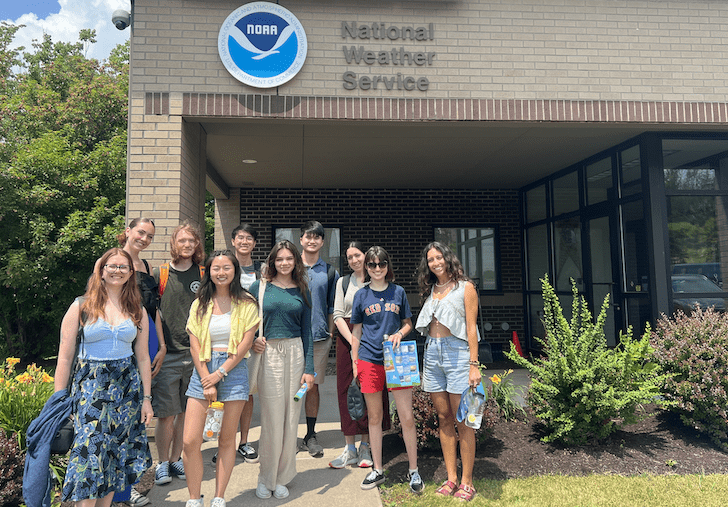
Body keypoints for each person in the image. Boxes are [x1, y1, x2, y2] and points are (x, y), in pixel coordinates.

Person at [55, 248, 154, 506]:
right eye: (112, 265)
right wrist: (58, 398)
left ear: (131, 273)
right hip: (90, 388)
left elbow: (143, 357)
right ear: (101, 269)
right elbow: (64, 357)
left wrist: (146, 398)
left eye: (123, 267)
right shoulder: (81, 306)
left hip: (126, 389)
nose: (117, 270)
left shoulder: (137, 309)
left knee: (115, 459)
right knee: (90, 460)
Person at [183, 250, 259, 507]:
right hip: (202, 370)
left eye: (227, 267)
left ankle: (219, 497)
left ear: (235, 271)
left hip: (233, 371)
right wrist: (207, 377)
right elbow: (194, 344)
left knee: (227, 439)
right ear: (208, 272)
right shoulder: (199, 303)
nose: (221, 272)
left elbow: (245, 343)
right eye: (216, 268)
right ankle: (194, 497)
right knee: (191, 440)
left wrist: (220, 373)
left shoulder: (247, 302)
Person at [350, 246, 422, 493]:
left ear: (387, 266)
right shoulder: (361, 295)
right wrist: (354, 362)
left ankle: (413, 470)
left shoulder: (398, 292)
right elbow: (356, 332)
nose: (377, 268)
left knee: (407, 417)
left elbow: (408, 324)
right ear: (366, 268)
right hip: (370, 359)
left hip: (398, 358)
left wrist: (399, 334)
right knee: (375, 418)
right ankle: (378, 469)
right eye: (372, 265)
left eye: (381, 264)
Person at [415, 241, 481, 502]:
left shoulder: (466, 287)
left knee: (463, 420)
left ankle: (467, 482)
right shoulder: (431, 289)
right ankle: (451, 477)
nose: (435, 262)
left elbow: (472, 327)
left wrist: (473, 365)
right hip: (432, 354)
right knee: (443, 417)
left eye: (439, 257)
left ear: (448, 258)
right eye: (431, 259)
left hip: (458, 355)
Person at [249, 240, 315, 500]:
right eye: (280, 259)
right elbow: (247, 321)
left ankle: (283, 476)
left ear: (295, 261)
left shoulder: (302, 289)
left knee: (291, 417)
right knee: (272, 418)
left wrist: (309, 369)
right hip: (269, 355)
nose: (284, 263)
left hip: (296, 353)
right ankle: (266, 476)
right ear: (272, 262)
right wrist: (253, 338)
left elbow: (307, 331)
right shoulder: (260, 287)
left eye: (289, 259)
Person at [116, 218, 166, 506]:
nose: (145, 239)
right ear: (128, 232)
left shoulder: (147, 268)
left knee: (136, 417)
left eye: (149, 236)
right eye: (140, 233)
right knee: (121, 419)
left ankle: (128, 484)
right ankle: (120, 489)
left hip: (146, 343)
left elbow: (154, 309)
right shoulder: (112, 261)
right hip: (121, 343)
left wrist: (161, 344)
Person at [152, 221, 206, 486]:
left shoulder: (204, 272)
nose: (187, 245)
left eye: (192, 241)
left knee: (186, 412)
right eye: (182, 240)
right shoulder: (160, 273)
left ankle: (176, 459)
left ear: (197, 245)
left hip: (196, 355)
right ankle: (161, 462)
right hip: (169, 354)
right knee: (166, 413)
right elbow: (152, 315)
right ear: (174, 243)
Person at [330, 241, 391, 469]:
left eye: (357, 255)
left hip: (373, 340)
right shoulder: (342, 282)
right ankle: (349, 447)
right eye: (349, 257)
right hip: (348, 339)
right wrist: (352, 340)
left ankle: (366, 445)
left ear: (366, 255)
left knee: (371, 390)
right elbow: (337, 314)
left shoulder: (377, 279)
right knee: (347, 391)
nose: (354, 260)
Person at [211, 224, 263, 466]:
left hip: (249, 343)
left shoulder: (261, 272)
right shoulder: (220, 267)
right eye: (240, 237)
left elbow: (266, 305)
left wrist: (257, 338)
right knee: (220, 396)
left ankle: (244, 442)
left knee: (246, 393)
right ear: (233, 241)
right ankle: (224, 443)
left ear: (254, 243)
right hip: (221, 342)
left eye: (249, 238)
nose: (244, 241)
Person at [298, 221, 338, 458]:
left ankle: (310, 434)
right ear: (301, 240)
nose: (312, 240)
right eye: (308, 236)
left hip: (320, 338)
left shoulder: (330, 271)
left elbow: (332, 305)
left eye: (317, 237)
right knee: (291, 388)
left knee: (311, 387)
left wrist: (330, 331)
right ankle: (287, 434)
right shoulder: (291, 267)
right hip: (292, 336)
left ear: (322, 242)